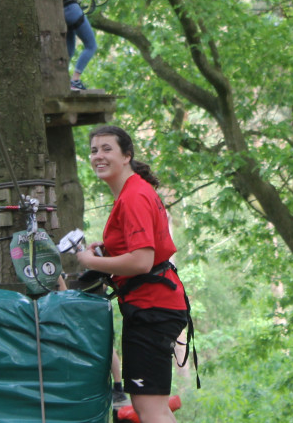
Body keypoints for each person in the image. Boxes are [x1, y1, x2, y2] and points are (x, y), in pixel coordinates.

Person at [76, 126, 190, 423]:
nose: (98, 156)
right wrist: (108, 251)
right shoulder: (133, 192)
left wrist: (91, 260)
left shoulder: (134, 196)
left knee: (149, 409)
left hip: (153, 307)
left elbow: (142, 261)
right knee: (149, 406)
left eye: (106, 149)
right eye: (93, 150)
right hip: (152, 306)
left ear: (127, 156)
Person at [59, 0, 99, 91]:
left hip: (62, 13)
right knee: (91, 45)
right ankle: (75, 79)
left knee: (69, 50)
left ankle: (64, 79)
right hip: (72, 10)